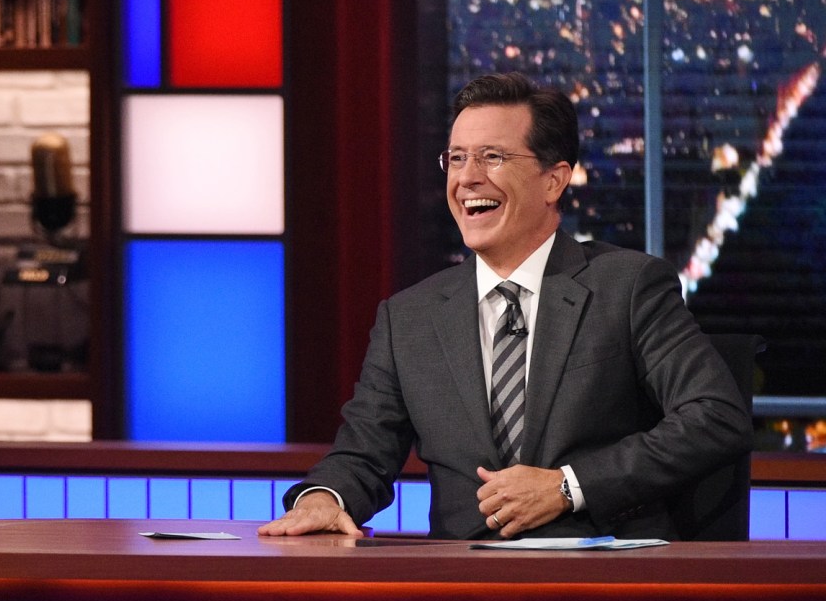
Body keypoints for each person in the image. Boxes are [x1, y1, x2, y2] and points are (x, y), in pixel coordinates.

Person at [260, 72, 752, 541]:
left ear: (554, 181)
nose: (468, 179)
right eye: (456, 159)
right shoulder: (408, 318)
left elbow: (714, 415)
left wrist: (568, 487)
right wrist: (324, 499)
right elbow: (363, 454)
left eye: (492, 157)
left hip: (602, 576)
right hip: (461, 587)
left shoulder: (625, 287)